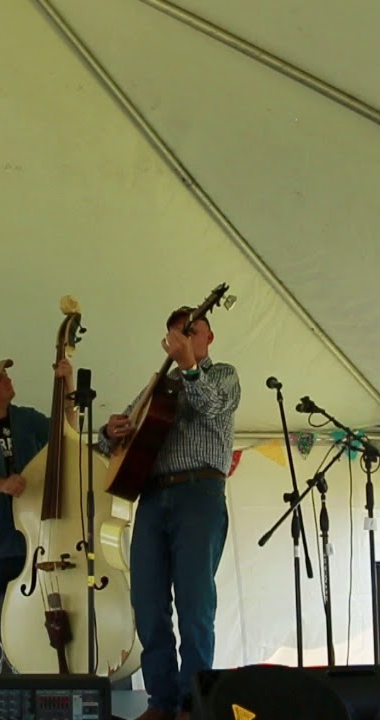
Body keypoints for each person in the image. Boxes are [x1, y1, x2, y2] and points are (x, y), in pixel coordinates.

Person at [98, 306, 241, 720]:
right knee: (147, 603)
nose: (185, 339)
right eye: (178, 334)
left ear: (208, 338)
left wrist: (190, 367)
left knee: (195, 605)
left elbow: (213, 406)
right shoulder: (155, 387)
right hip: (152, 497)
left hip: (200, 492)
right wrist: (109, 432)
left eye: (193, 332)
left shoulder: (223, 375)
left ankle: (193, 704)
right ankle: (160, 702)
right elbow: (112, 445)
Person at [0, 356, 72, 674]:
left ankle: (35, 683)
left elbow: (66, 431)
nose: (7, 379)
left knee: (34, 621)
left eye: (5, 373)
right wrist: (3, 484)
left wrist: (67, 385)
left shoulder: (25, 419)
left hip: (27, 544)